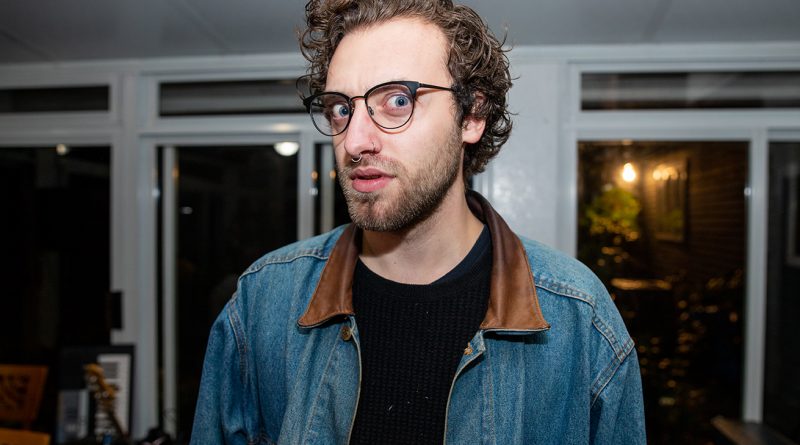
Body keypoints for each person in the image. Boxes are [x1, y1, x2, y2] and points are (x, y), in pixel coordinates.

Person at [191, 0, 646, 443]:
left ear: (472, 116)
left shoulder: (579, 319)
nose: (354, 141)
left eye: (397, 100)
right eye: (341, 108)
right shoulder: (263, 302)